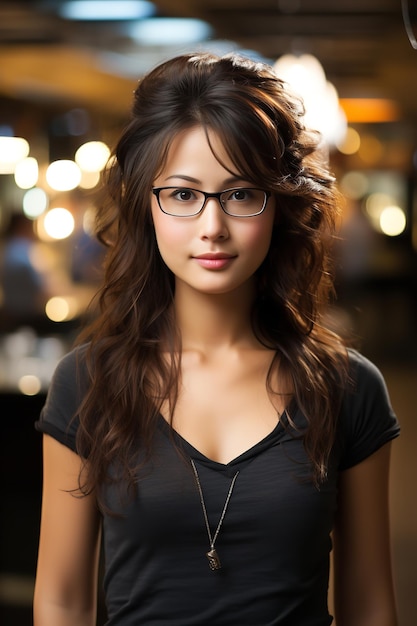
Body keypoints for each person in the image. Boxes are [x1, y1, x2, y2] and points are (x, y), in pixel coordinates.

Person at [33, 52, 400, 626]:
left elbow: (370, 604)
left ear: (279, 205)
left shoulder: (348, 386)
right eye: (182, 195)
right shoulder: (86, 380)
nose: (212, 227)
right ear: (146, 205)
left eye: (240, 193)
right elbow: (60, 600)